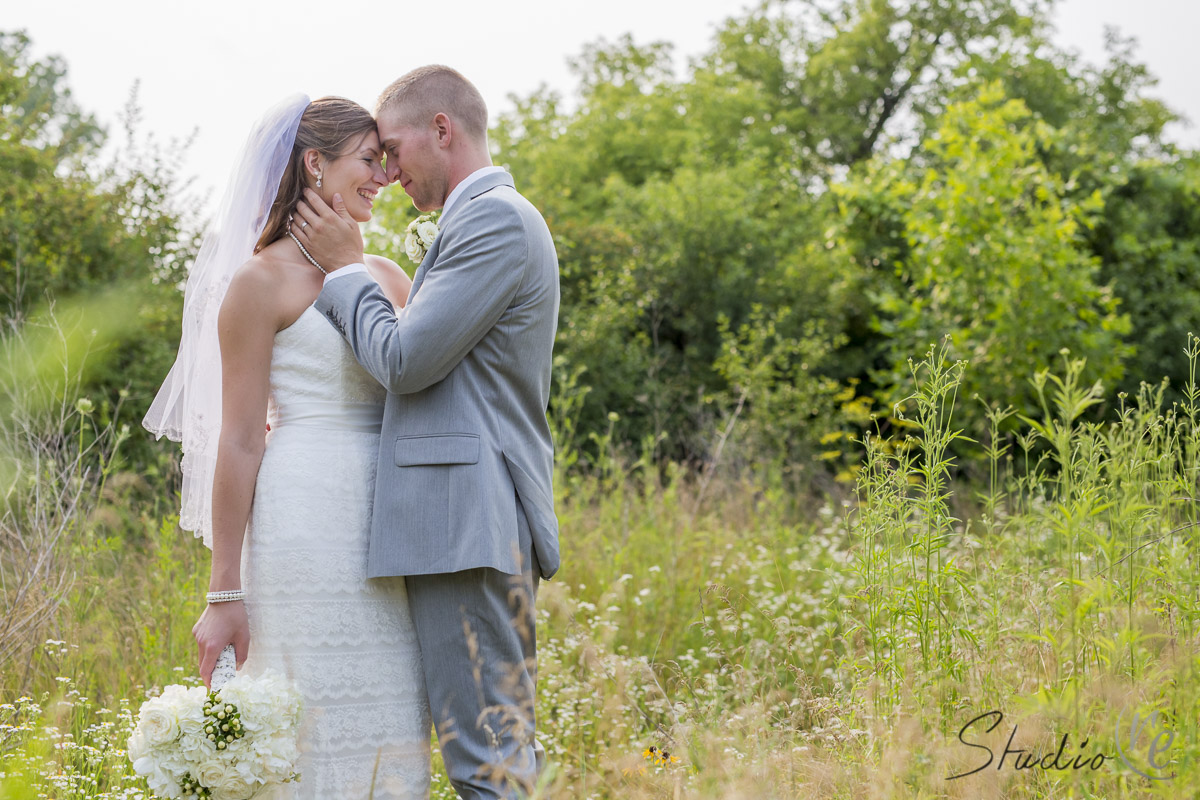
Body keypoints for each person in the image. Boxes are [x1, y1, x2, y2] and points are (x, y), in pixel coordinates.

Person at [143, 95, 431, 798]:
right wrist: (224, 590)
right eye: (369, 160)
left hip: (388, 527)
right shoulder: (257, 282)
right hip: (301, 521)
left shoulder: (389, 277)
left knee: (388, 712)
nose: (383, 177)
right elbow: (239, 441)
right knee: (311, 717)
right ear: (314, 164)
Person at [291, 65, 560, 799]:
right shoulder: (480, 220)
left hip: (464, 521)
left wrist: (349, 271)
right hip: (456, 521)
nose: (388, 172)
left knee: (488, 760)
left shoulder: (494, 219)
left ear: (442, 130)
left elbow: (405, 361)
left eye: (394, 149)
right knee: (491, 752)